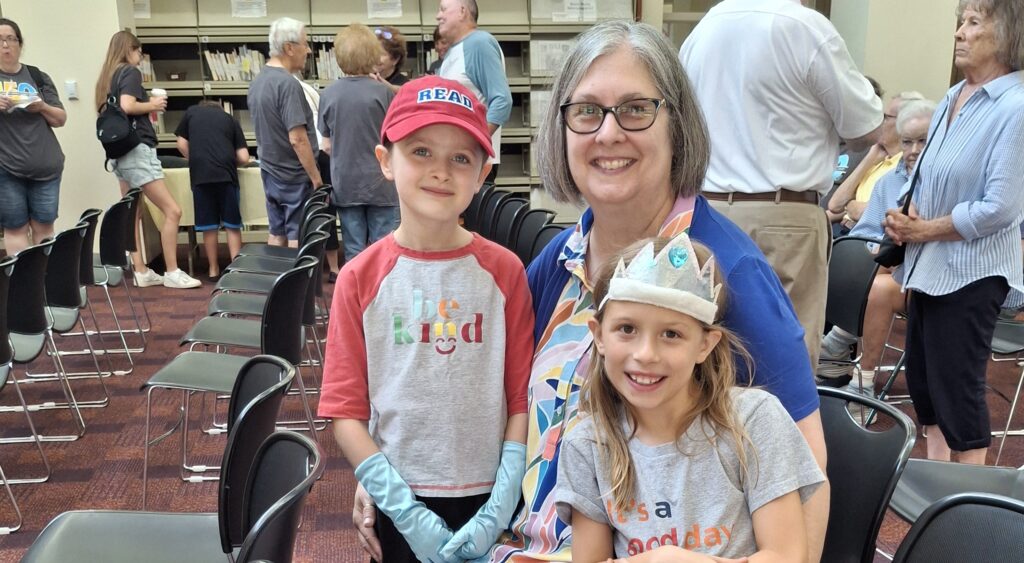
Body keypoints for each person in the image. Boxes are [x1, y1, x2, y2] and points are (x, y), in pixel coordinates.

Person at [351, 21, 829, 563]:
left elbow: (805, 474)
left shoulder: (726, 271)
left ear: (678, 125)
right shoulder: (558, 262)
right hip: (509, 539)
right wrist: (393, 467)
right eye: (586, 111)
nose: (608, 134)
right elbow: (483, 394)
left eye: (635, 109)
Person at [319, 76, 534, 562]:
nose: (441, 171)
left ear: (482, 174)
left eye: (461, 158)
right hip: (400, 497)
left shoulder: (504, 273)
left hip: (492, 494)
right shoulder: (360, 278)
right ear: (385, 161)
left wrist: (501, 503)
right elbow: (346, 411)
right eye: (420, 151)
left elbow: (520, 396)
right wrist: (403, 510)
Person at [555, 233, 824, 561]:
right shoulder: (588, 445)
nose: (646, 354)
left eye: (671, 334)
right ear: (598, 335)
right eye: (626, 328)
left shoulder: (754, 420)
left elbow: (786, 555)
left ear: (704, 345)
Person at [680, 0, 883, 371]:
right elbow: (867, 127)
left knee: (704, 349)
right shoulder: (804, 27)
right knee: (786, 355)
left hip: (706, 210)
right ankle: (783, 431)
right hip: (784, 212)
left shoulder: (703, 30)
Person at [883, 0, 1024, 465]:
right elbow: (925, 173)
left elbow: (999, 209)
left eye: (972, 23)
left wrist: (923, 230)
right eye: (959, 23)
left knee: (958, 396)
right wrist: (904, 216)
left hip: (972, 273)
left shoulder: (1016, 105)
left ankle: (968, 516)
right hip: (928, 268)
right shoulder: (951, 96)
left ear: (1005, 33)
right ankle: (938, 491)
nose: (959, 33)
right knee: (926, 391)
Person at [818, 99, 937, 396]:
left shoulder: (943, 181)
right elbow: (867, 231)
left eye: (923, 141)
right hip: (884, 267)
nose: (913, 150)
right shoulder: (889, 179)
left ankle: (850, 362)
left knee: (878, 286)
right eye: (907, 141)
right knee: (852, 261)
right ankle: (855, 374)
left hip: (931, 277)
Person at [94, 30, 201, 289]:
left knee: (133, 213)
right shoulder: (129, 73)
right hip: (137, 149)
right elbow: (129, 105)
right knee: (173, 210)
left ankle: (140, 270)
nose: (140, 57)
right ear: (129, 49)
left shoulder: (106, 78)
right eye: (139, 51)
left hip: (118, 153)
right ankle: (173, 271)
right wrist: (153, 105)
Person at [319, 24, 399, 264]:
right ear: (372, 55)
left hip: (346, 183)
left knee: (354, 250)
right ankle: (382, 298)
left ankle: (356, 299)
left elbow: (326, 146)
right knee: (384, 248)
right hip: (382, 181)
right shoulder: (384, 93)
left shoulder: (328, 94)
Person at [247, 17, 323, 249]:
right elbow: (297, 138)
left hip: (270, 171)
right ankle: (296, 286)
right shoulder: (288, 85)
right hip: (293, 176)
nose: (308, 50)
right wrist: (316, 178)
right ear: (289, 48)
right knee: (297, 236)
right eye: (305, 43)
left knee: (276, 231)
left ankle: (275, 283)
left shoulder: (258, 81)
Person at [0, 17, 66, 255]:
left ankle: (44, 286)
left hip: (46, 167)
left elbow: (60, 119)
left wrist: (42, 107)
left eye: (11, 39)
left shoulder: (38, 77)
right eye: (0, 40)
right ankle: (23, 289)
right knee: (15, 228)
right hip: (6, 169)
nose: (6, 45)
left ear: (19, 43)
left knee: (45, 228)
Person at [826, 91, 924, 234]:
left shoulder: (906, 165)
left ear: (904, 123)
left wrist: (854, 207)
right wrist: (870, 158)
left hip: (868, 239)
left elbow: (892, 211)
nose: (879, 122)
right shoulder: (878, 159)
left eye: (885, 117)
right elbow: (835, 205)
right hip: (843, 231)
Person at [174, 100, 250, 279]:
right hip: (226, 175)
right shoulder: (230, 119)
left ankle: (213, 269)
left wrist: (197, 159)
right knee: (232, 225)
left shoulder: (191, 112)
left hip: (201, 175)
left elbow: (181, 144)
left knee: (209, 226)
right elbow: (244, 157)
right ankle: (236, 269)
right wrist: (229, 161)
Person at [436, 0, 511, 181]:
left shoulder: (479, 43)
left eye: (443, 10)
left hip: (471, 164)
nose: (438, 16)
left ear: (462, 11)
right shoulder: (453, 53)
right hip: (454, 160)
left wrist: (471, 145)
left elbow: (502, 101)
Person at [372, 26, 410, 92]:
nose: (375, 57)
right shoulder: (367, 80)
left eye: (382, 54)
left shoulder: (405, 86)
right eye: (373, 52)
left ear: (396, 59)